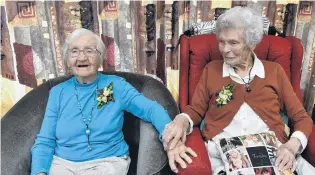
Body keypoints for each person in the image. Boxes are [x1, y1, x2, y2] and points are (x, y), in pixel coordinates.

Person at [162, 7, 315, 175]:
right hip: (224, 152)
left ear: (252, 44)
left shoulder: (274, 71)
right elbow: (196, 110)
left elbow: (301, 118)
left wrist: (292, 146)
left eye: (233, 43)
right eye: (222, 41)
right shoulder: (211, 70)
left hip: (271, 150)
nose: (225, 49)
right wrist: (182, 120)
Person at [30, 28, 196, 175]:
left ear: (100, 58)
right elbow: (45, 140)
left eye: (89, 51)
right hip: (64, 165)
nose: (82, 57)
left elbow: (151, 110)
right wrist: (40, 172)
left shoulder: (116, 86)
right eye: (74, 51)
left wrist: (171, 140)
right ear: (67, 59)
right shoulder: (57, 92)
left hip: (107, 163)